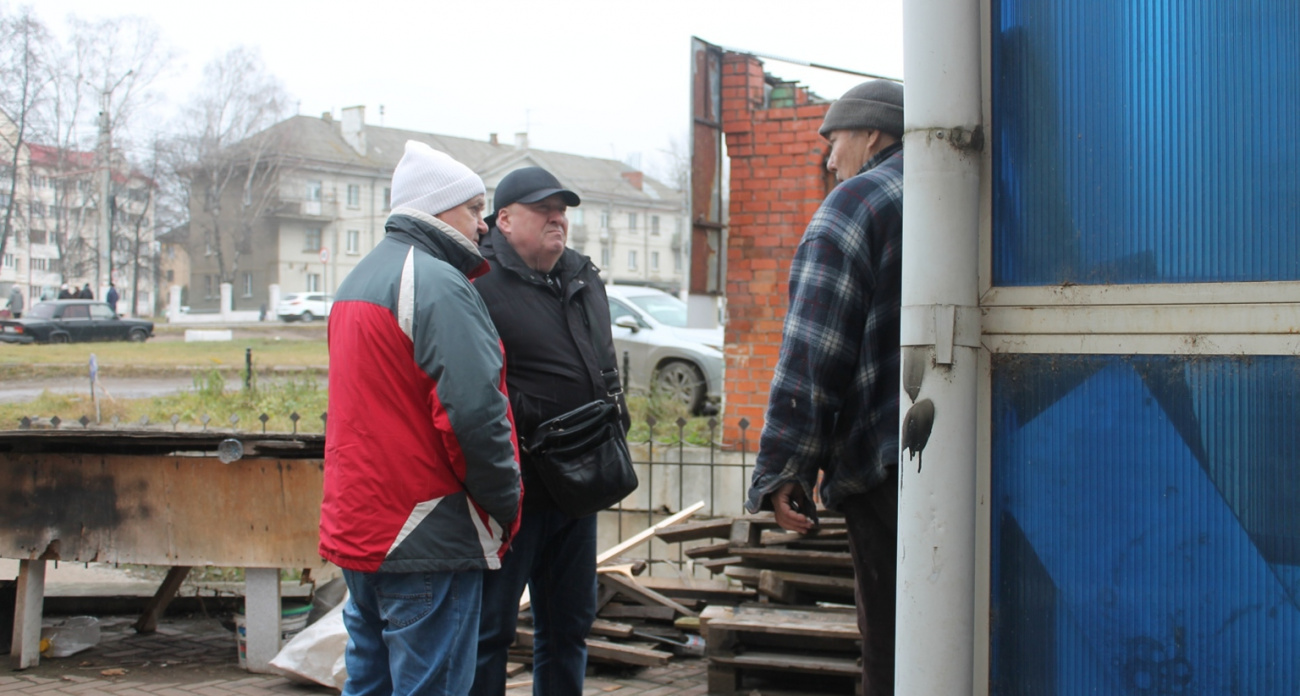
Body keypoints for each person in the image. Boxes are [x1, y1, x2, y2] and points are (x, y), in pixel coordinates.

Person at [319, 140, 523, 696]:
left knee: (370, 682)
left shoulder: (356, 281)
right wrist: (505, 506)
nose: (484, 227)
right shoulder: (437, 284)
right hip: (424, 532)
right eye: (474, 210)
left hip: (363, 529)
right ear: (437, 210)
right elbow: (475, 418)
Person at [745, 79, 905, 696]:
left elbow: (814, 352)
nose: (829, 160)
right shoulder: (974, 189)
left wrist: (784, 468)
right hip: (986, 453)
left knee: (892, 646)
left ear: (872, 135)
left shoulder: (857, 202)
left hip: (887, 467)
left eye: (833, 142)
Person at [470, 166, 627, 696]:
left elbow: (602, 362)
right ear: (505, 219)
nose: (557, 218)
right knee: (490, 630)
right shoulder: (478, 280)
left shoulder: (581, 275)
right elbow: (474, 383)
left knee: (569, 625)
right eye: (544, 209)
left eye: (562, 209)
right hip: (514, 490)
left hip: (578, 485)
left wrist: (612, 413)